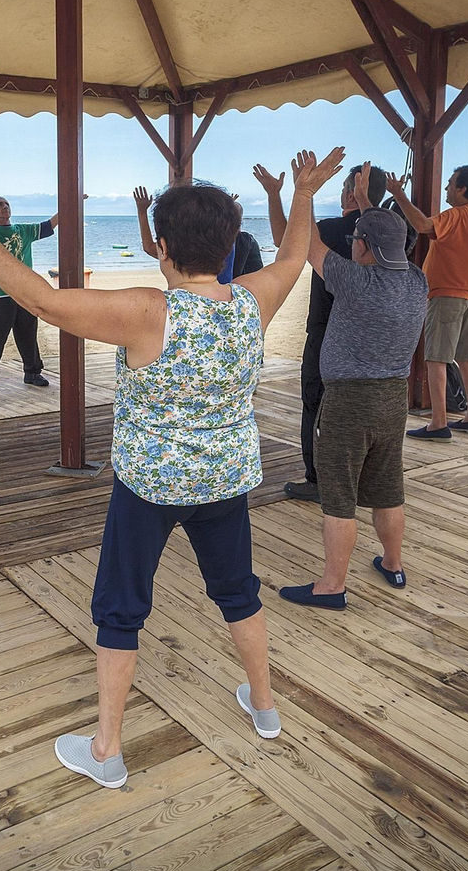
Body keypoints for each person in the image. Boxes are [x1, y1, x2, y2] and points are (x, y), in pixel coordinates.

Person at [0, 148, 345, 789]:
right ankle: (264, 708)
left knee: (120, 611)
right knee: (238, 592)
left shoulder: (149, 312)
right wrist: (305, 192)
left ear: (163, 247)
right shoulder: (250, 302)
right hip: (224, 484)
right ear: (230, 244)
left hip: (148, 487)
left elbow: (43, 302)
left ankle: (108, 750)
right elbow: (293, 256)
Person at [276, 168, 428, 604]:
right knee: (387, 488)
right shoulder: (416, 282)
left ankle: (332, 586)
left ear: (362, 246)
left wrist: (303, 192)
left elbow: (308, 244)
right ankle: (393, 564)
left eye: (357, 239)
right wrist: (366, 203)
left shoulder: (353, 280)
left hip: (348, 401)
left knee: (339, 496)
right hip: (392, 400)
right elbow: (381, 236)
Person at [254, 161, 417, 502]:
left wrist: (279, 195)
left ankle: (317, 480)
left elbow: (285, 241)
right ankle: (362, 480)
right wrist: (367, 201)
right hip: (381, 343)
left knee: (316, 405)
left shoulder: (330, 229)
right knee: (368, 418)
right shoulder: (395, 235)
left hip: (329, 332)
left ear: (347, 192)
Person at [386, 165, 468, 440]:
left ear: (462, 189)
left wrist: (398, 193)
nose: (446, 188)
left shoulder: (456, 215)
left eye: (450, 184)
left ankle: (438, 422)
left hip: (446, 296)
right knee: (466, 358)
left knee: (436, 359)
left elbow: (422, 226)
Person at [0, 197, 68, 397]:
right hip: (1, 294)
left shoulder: (23, 230)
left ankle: (32, 372)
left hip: (26, 293)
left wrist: (70, 204)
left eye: (6, 204)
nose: (4, 207)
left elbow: (49, 225)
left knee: (28, 334)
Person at [133, 184, 262, 282]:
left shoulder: (181, 250)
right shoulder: (245, 305)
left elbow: (149, 248)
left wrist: (142, 211)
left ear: (164, 246)